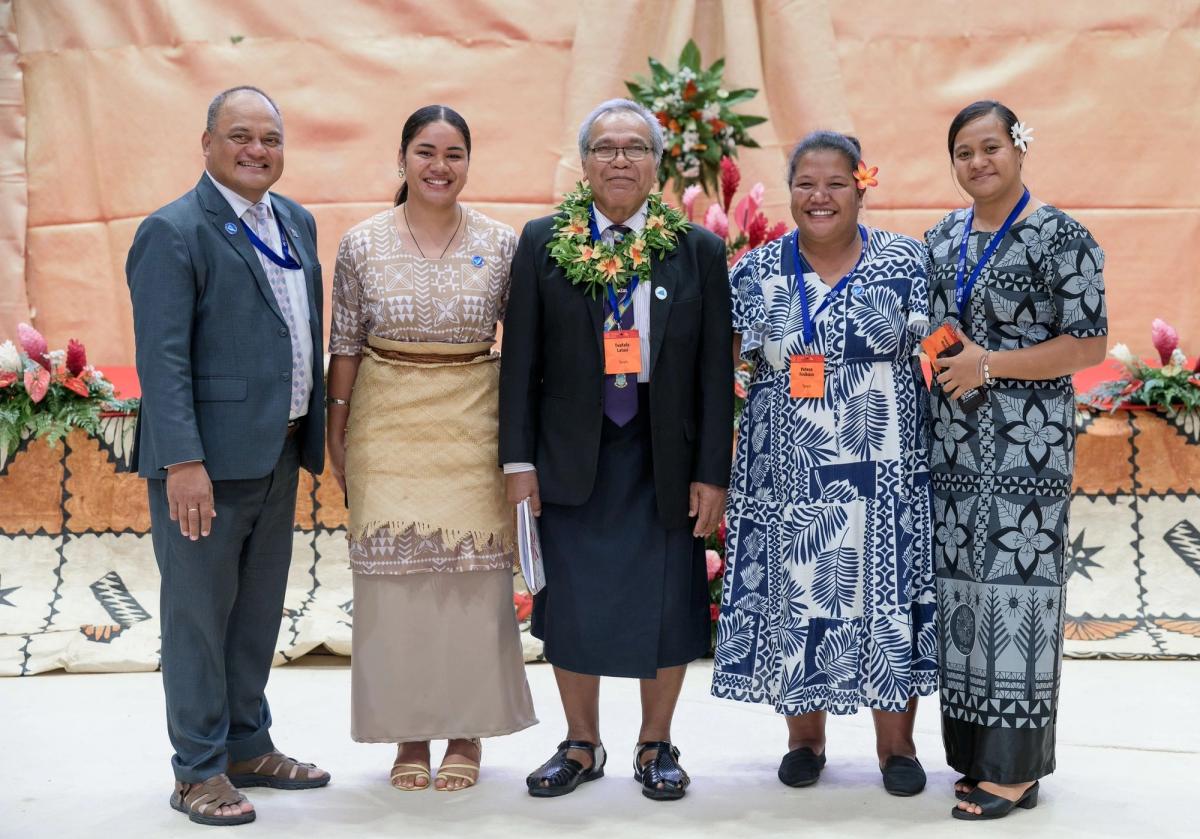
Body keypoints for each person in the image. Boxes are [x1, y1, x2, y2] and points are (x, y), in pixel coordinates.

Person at [499, 98, 733, 800]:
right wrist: (518, 462)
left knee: (666, 607)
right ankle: (580, 742)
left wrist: (711, 473)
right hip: (573, 455)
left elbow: (715, 374)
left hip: (663, 457)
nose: (621, 159)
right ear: (585, 161)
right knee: (572, 605)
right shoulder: (544, 241)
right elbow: (520, 365)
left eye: (636, 147)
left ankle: (656, 743)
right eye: (606, 147)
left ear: (658, 164)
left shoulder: (697, 250)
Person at [710, 131, 937, 796]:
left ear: (861, 187)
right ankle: (804, 740)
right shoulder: (756, 271)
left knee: (886, 595)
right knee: (799, 597)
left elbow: (944, 338)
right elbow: (723, 363)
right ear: (790, 190)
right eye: (806, 182)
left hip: (887, 469)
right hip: (789, 474)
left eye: (836, 182)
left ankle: (896, 747)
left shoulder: (907, 262)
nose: (820, 196)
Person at [126, 86, 328, 827]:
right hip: (204, 468)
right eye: (240, 136)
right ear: (206, 143)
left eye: (271, 138)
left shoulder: (295, 221)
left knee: (254, 617)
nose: (257, 150)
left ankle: (248, 744)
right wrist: (182, 461)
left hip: (277, 453)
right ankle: (198, 769)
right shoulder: (174, 231)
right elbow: (163, 357)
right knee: (199, 621)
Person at [326, 105, 536, 793]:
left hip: (474, 419)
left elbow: (527, 346)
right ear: (402, 159)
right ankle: (408, 732)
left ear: (469, 163)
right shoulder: (360, 243)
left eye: (453, 154)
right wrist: (338, 425)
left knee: (471, 582)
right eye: (425, 151)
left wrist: (521, 448)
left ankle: (467, 732)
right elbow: (346, 343)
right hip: (385, 425)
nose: (439, 166)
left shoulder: (504, 244)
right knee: (395, 583)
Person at [926, 100, 1107, 820]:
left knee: (1019, 591)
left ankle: (1016, 769)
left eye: (991, 147)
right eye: (964, 152)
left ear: (1019, 148)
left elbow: (1087, 344)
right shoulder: (941, 237)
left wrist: (989, 365)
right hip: (951, 449)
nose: (979, 162)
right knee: (963, 592)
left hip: (1027, 450)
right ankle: (976, 755)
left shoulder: (1063, 236)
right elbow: (938, 326)